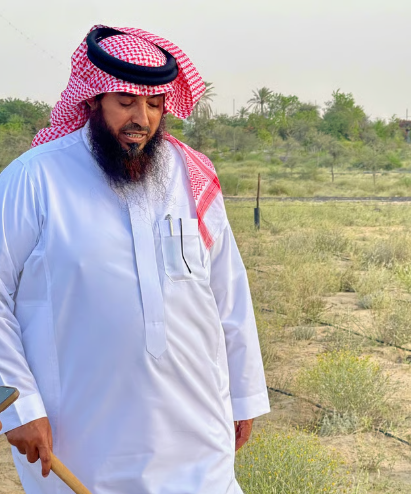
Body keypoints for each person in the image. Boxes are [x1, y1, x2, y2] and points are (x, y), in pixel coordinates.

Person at [0, 25, 269, 494]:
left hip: (197, 423)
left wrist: (243, 397)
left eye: (154, 104)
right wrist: (18, 407)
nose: (140, 118)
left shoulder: (191, 173)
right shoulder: (35, 177)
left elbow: (227, 291)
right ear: (93, 98)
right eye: (125, 102)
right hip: (81, 434)